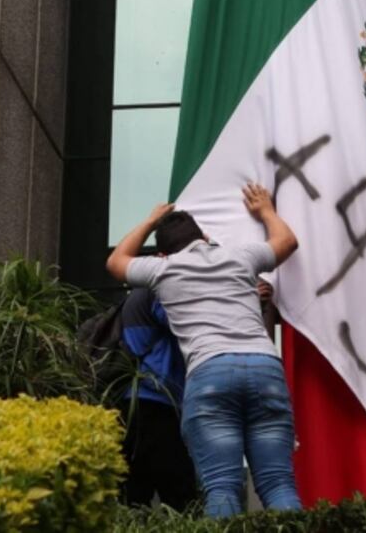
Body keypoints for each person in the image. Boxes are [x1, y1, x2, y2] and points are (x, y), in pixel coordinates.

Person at [105, 183, 301, 517]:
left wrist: (151, 221)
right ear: (206, 237)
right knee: (278, 483)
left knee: (222, 486)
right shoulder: (241, 256)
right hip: (265, 367)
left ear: (163, 253)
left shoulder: (162, 270)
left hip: (210, 372)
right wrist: (265, 210)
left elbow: (116, 262)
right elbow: (287, 242)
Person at [118, 287, 197, 511]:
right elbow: (194, 321)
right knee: (181, 497)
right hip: (156, 401)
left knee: (134, 497)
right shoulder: (157, 294)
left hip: (135, 401)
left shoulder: (137, 296)